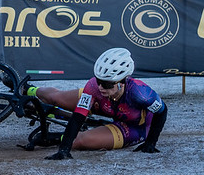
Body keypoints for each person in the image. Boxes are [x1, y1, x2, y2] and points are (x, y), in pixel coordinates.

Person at [21, 48, 168, 160]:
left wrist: (151, 142)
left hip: (134, 126)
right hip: (104, 104)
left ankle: (53, 138)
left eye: (107, 84)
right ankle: (28, 89)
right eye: (99, 81)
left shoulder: (140, 93)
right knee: (57, 97)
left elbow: (162, 111)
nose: (101, 87)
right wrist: (63, 150)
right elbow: (78, 117)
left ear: (122, 82)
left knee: (82, 141)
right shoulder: (94, 87)